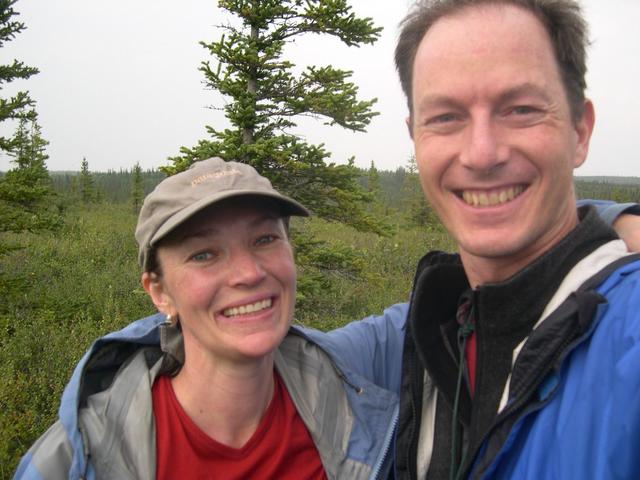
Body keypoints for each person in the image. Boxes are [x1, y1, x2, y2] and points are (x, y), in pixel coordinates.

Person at [14, 157, 406, 479]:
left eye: (265, 239)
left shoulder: (348, 374)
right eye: (203, 254)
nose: (249, 273)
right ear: (159, 292)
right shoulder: (79, 456)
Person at [392, 0, 640, 478]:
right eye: (445, 117)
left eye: (521, 109)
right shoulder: (423, 333)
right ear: (416, 138)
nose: (482, 153)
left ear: (580, 131)